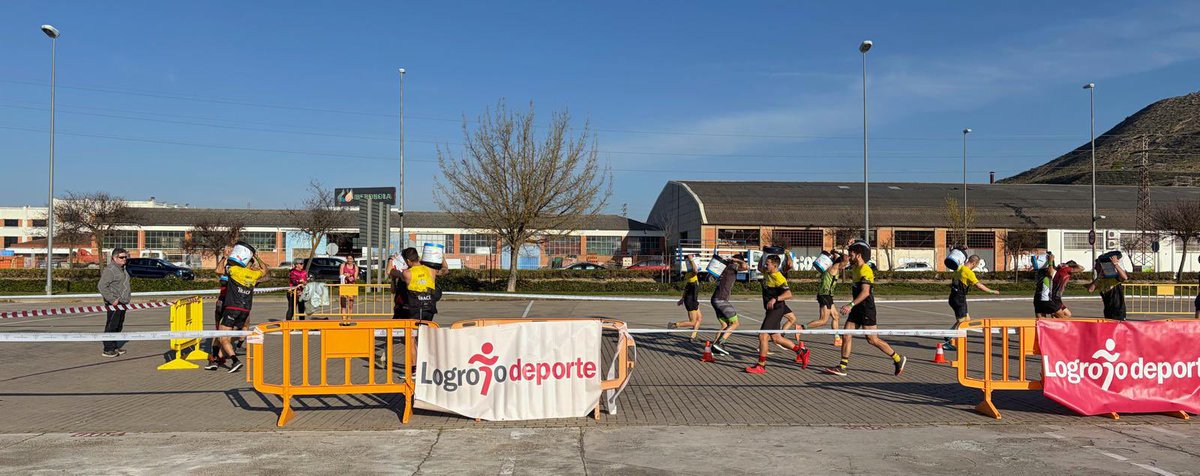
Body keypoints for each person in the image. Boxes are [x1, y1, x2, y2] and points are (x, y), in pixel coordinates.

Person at [823, 240, 906, 377]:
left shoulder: (865, 270)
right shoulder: (855, 266)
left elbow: (865, 292)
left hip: (866, 308)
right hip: (857, 308)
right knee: (846, 334)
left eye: (852, 254)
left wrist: (850, 305)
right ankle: (842, 366)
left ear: (859, 255)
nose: (849, 256)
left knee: (872, 340)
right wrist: (845, 247)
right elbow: (845, 258)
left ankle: (898, 358)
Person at [745, 254, 809, 374]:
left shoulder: (778, 277)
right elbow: (759, 267)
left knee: (763, 335)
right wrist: (764, 254)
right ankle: (802, 352)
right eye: (766, 263)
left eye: (767, 263)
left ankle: (761, 365)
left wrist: (775, 298)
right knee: (777, 338)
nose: (765, 265)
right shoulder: (767, 272)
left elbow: (789, 294)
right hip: (772, 308)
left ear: (774, 265)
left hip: (776, 308)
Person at [206, 255, 270, 372]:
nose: (255, 266)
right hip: (245, 309)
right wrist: (258, 258)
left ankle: (233, 360)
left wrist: (224, 257)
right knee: (231, 333)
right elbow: (265, 271)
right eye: (254, 264)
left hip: (230, 307)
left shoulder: (235, 270)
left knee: (222, 335)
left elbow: (218, 271)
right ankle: (218, 358)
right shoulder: (253, 275)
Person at [943, 254, 1000, 350]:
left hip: (954, 297)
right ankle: (949, 342)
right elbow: (979, 285)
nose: (975, 267)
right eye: (976, 265)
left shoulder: (959, 268)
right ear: (974, 263)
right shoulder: (969, 273)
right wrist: (992, 291)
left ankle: (948, 334)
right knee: (962, 323)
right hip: (959, 299)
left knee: (967, 320)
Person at [392, 247, 449, 321]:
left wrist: (391, 260)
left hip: (414, 308)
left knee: (414, 330)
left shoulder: (407, 273)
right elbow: (445, 270)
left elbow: (390, 271)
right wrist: (442, 257)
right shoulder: (431, 270)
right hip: (429, 308)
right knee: (426, 329)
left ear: (408, 261)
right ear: (418, 257)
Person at [803, 251, 846, 347]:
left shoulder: (830, 267)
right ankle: (801, 328)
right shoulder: (834, 268)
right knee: (823, 320)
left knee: (835, 316)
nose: (845, 266)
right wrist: (839, 253)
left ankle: (837, 339)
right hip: (825, 295)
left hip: (828, 295)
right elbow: (845, 259)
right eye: (844, 264)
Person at [709, 254, 748, 355]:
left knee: (725, 325)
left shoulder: (726, 267)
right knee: (735, 323)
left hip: (715, 299)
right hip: (721, 300)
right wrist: (736, 260)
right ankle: (720, 343)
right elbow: (745, 267)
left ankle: (714, 348)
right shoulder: (732, 267)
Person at [98, 248, 132, 358]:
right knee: (111, 325)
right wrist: (112, 300)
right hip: (115, 303)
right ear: (114, 258)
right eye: (122, 257)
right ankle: (108, 349)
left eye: (126, 257)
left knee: (118, 325)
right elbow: (102, 286)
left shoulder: (123, 268)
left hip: (123, 302)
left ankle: (114, 345)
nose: (124, 259)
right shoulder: (111, 270)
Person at [667, 254, 703, 341]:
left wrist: (682, 298)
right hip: (690, 301)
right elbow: (695, 270)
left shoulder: (690, 275)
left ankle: (693, 337)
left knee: (700, 318)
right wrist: (691, 260)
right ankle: (674, 325)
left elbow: (687, 287)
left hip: (693, 299)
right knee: (693, 322)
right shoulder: (691, 274)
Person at [1087, 254, 1129, 321]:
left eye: (1097, 265)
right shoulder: (1099, 281)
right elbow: (1090, 290)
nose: (1095, 267)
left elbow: (1125, 277)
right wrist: (1099, 277)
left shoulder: (1113, 278)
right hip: (1107, 312)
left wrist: (1115, 264)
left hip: (1118, 311)